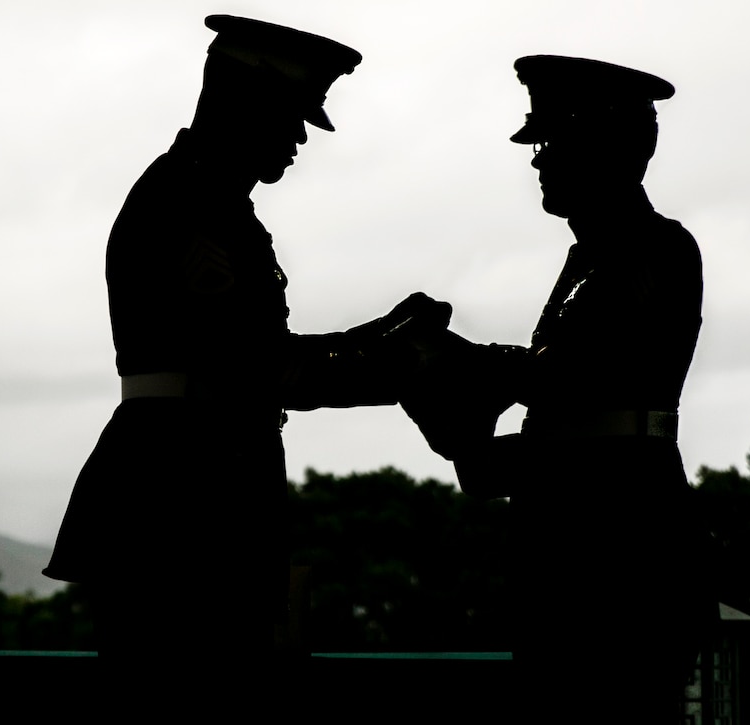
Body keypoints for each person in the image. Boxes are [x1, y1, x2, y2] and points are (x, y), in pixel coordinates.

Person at [42, 15, 449, 706]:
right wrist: (407, 368)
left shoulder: (207, 201)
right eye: (289, 116)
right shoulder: (192, 207)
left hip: (191, 497)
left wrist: (376, 335)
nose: (296, 138)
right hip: (181, 511)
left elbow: (247, 349)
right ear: (240, 101)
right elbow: (261, 369)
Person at [403, 55, 710, 718]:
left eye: (550, 144)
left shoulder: (657, 252)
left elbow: (574, 378)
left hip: (624, 563)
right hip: (564, 558)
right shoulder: (586, 261)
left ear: (604, 147)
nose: (537, 163)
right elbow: (530, 441)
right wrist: (437, 397)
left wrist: (454, 358)